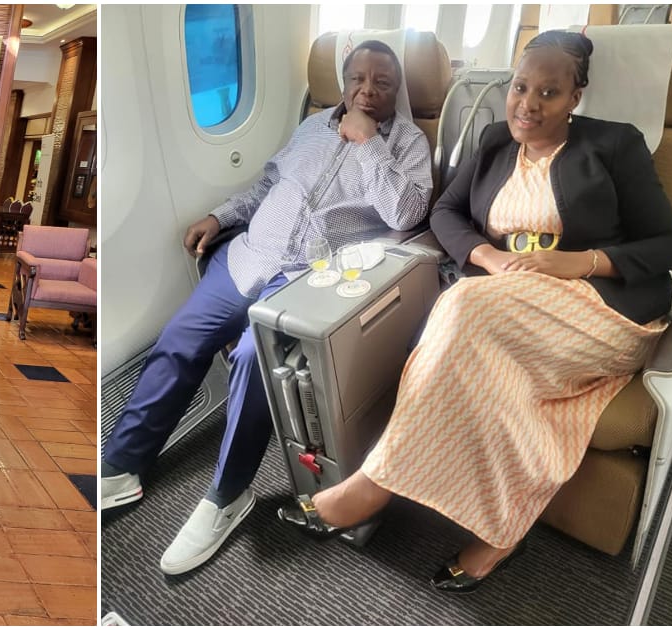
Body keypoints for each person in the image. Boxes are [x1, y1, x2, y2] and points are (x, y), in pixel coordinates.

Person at [289, 31, 672, 593]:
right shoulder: (497, 141)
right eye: (521, 87)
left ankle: (374, 485)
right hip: (504, 293)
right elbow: (446, 212)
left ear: (576, 96)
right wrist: (488, 256)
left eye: (549, 92)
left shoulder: (615, 145)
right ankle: (504, 528)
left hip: (600, 307)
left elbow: (670, 246)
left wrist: (584, 262)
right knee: (472, 324)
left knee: (461, 307)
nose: (528, 104)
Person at [101, 40, 434, 575]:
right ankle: (121, 465)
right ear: (343, 81)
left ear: (399, 89)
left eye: (383, 82)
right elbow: (267, 185)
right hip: (249, 256)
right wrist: (220, 214)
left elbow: (408, 211)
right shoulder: (310, 127)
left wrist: (370, 142)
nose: (367, 91)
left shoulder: (409, 143)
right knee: (178, 340)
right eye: (357, 79)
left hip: (309, 281)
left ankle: (228, 494)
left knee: (258, 360)